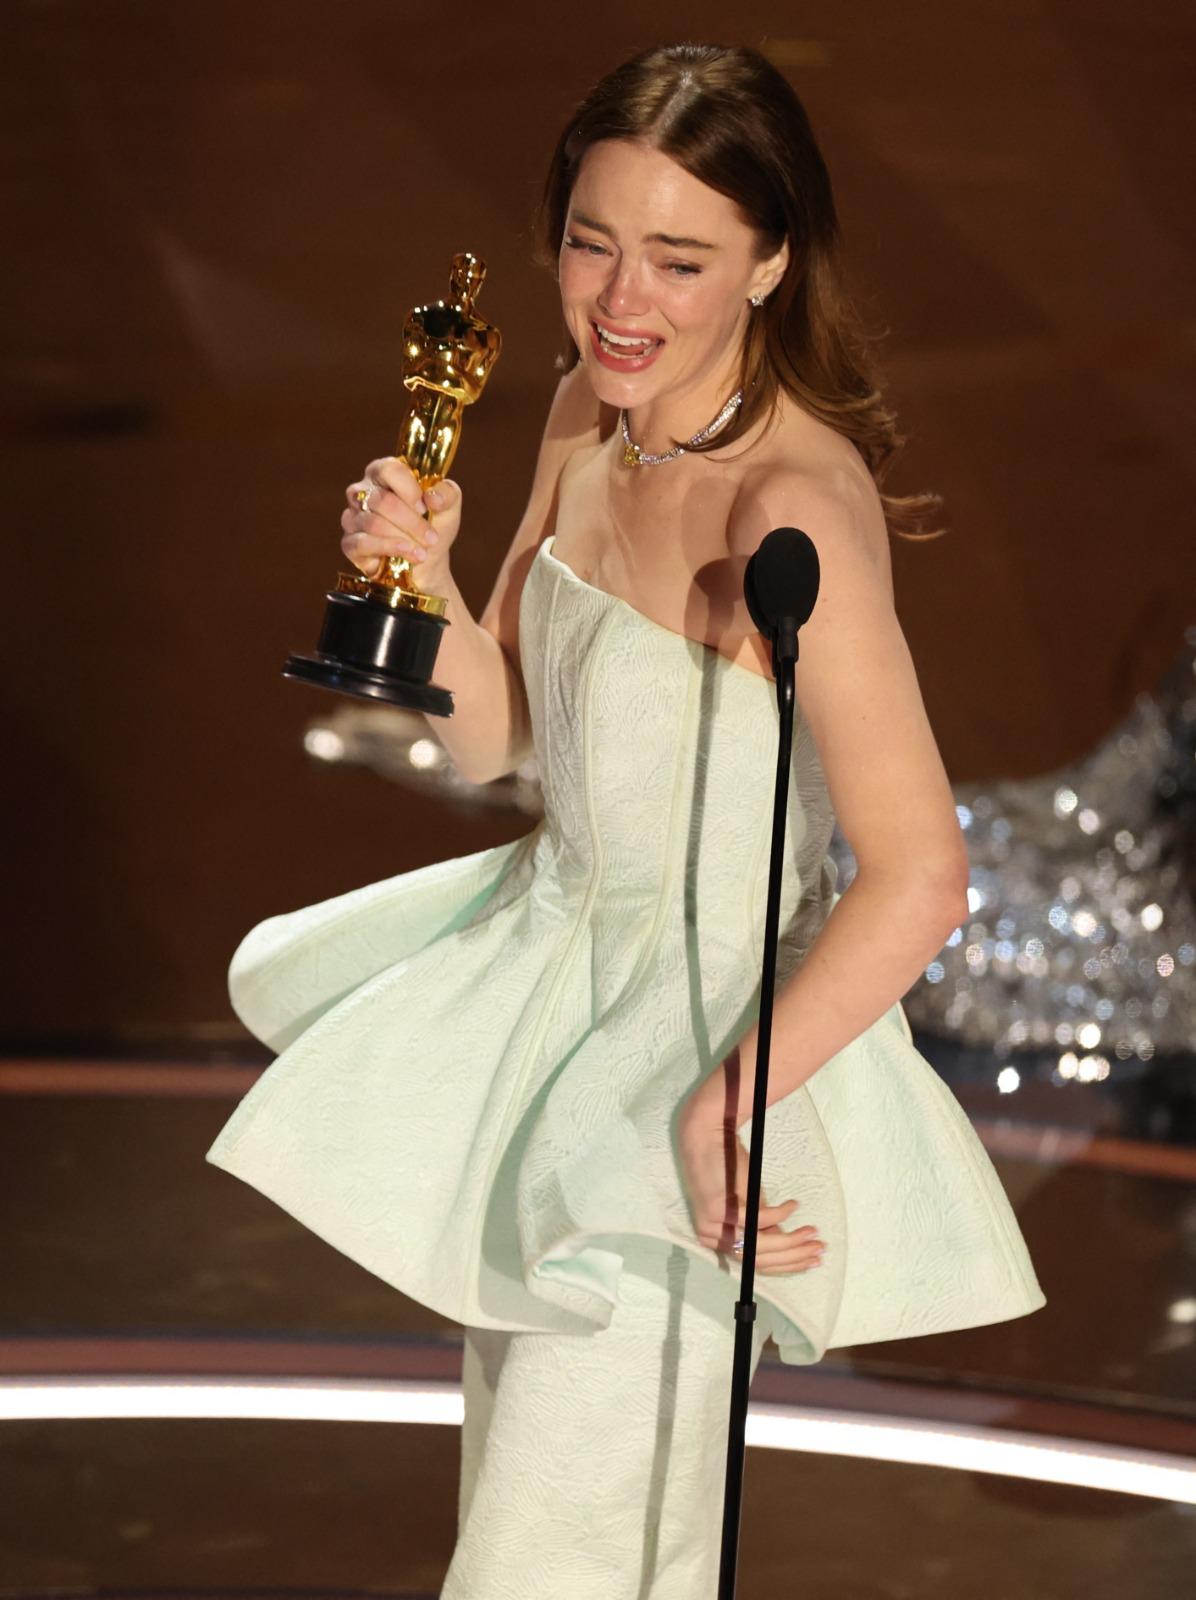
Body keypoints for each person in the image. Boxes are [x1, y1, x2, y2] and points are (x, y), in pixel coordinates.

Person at [206, 41, 1046, 1598]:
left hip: (696, 1083)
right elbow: (503, 743)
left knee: (557, 1560)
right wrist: (421, 582)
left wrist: (729, 1102)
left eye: (680, 259)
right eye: (593, 243)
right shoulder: (589, 421)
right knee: (536, 1536)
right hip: (551, 1039)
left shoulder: (789, 508)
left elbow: (923, 876)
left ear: (772, 264)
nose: (620, 299)